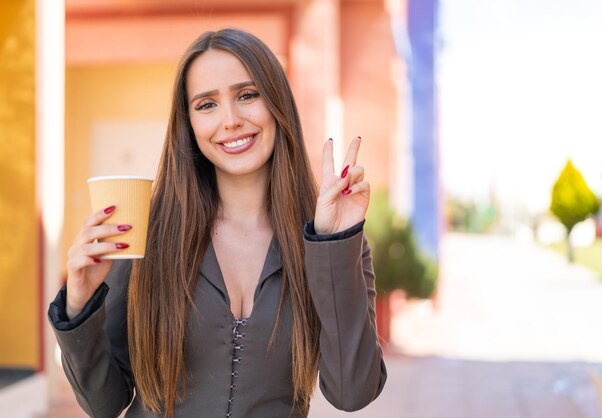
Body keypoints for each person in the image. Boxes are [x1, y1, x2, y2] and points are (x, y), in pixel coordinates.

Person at [49, 28, 386, 418]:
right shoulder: (147, 232)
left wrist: (334, 245)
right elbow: (104, 403)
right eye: (206, 105)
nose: (230, 120)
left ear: (276, 102)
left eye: (247, 95)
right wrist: (78, 305)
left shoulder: (330, 242)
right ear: (189, 123)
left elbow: (352, 392)